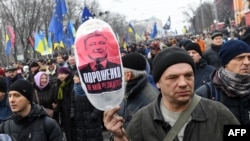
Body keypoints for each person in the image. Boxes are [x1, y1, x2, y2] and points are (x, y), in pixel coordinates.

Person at [103, 47, 239, 141]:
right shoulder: (141, 120)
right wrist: (119, 138)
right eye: (173, 77)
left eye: (188, 75)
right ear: (158, 83)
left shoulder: (219, 113)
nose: (183, 83)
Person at [195, 40, 250, 125]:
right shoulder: (206, 94)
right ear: (226, 62)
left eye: (249, 58)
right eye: (240, 58)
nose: (247, 62)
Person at [72, 72, 104, 141]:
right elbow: (72, 103)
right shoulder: (74, 89)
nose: (73, 78)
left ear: (81, 78)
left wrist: (94, 116)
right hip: (80, 121)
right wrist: (73, 115)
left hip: (92, 121)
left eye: (75, 76)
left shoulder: (93, 87)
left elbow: (100, 103)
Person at [56, 67, 76, 141]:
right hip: (64, 113)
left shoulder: (72, 83)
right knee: (68, 132)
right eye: (59, 74)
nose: (60, 76)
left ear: (68, 74)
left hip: (72, 111)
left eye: (63, 74)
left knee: (74, 131)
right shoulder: (59, 84)